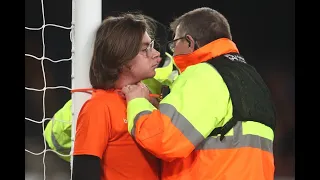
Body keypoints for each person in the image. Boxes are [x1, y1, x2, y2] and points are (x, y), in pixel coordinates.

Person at [122, 7, 276, 180]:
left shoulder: (203, 75)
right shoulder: (251, 78)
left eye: (175, 43)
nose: (173, 51)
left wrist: (138, 103)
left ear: (189, 42)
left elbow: (164, 140)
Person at [71, 13, 166, 180]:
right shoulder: (100, 106)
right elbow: (83, 172)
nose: (156, 54)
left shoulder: (149, 101)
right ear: (122, 59)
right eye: (145, 49)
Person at [43, 52, 177, 163]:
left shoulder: (179, 86)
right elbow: (57, 142)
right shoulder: (100, 102)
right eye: (145, 48)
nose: (154, 53)